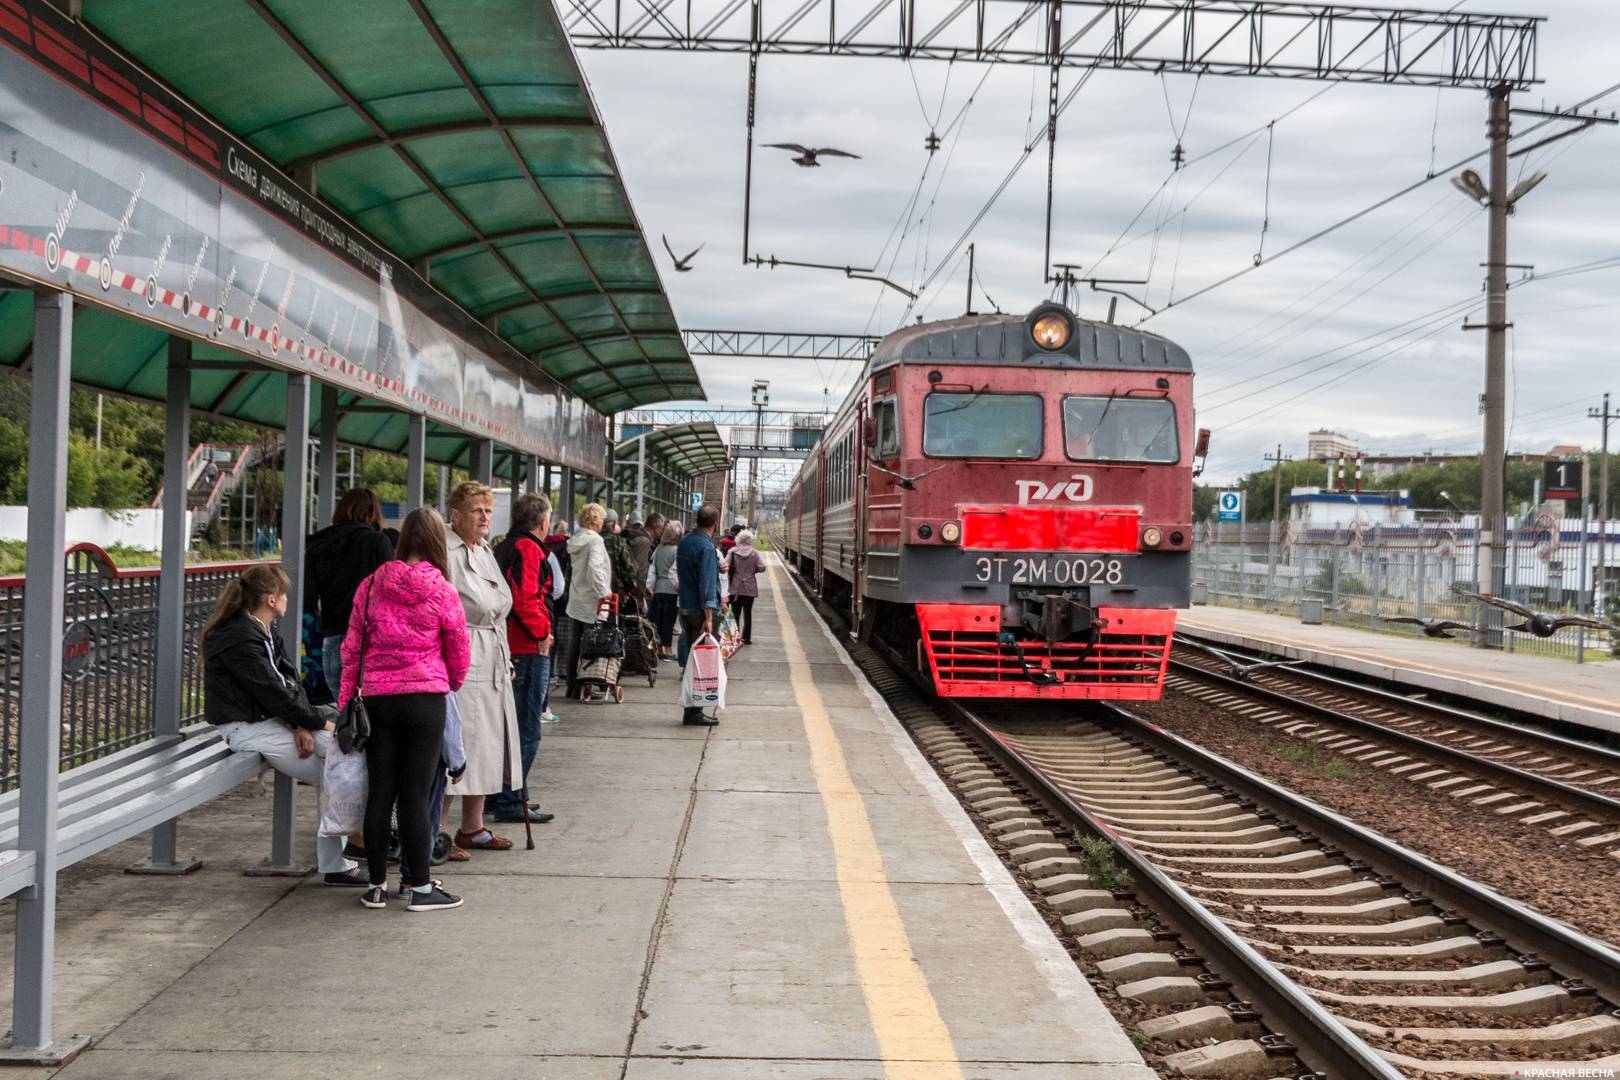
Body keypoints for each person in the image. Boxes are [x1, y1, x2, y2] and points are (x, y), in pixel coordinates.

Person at [202, 565, 365, 887]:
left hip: (270, 720)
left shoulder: (260, 629)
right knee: (337, 770)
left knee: (344, 763)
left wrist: (299, 724)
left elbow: (287, 682)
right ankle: (337, 863)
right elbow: (271, 691)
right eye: (285, 594)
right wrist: (316, 723)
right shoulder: (240, 639)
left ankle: (341, 858)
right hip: (245, 728)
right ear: (270, 599)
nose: (288, 599)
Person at [340, 508, 471, 912]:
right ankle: (418, 887)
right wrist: (448, 682)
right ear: (435, 541)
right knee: (415, 794)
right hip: (425, 699)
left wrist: (348, 701)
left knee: (380, 791)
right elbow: (459, 650)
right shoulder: (442, 589)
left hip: (377, 701)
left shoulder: (372, 584)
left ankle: (376, 885)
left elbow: (352, 649)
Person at [444, 482, 522, 858]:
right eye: (477, 510)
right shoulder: (445, 550)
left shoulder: (485, 549)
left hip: (490, 651)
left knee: (487, 743)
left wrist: (505, 659)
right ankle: (436, 830)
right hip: (462, 654)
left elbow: (498, 606)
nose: (485, 517)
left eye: (488, 511)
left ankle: (471, 826)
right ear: (455, 514)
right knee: (457, 742)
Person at [490, 493, 556, 825]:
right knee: (527, 727)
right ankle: (511, 797)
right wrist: (543, 632)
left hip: (509, 643)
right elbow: (525, 598)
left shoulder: (504, 547)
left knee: (509, 726)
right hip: (527, 647)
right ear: (542, 521)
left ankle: (502, 793)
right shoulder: (529, 549)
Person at [308, 488, 394, 695]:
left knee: (346, 717)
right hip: (367, 642)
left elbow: (309, 599)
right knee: (370, 719)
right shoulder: (377, 542)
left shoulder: (316, 544)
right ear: (373, 512)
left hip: (331, 640)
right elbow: (390, 593)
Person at [676, 505, 724, 726]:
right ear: (716, 523)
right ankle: (694, 711)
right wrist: (709, 617)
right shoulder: (706, 547)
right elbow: (706, 585)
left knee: (691, 658)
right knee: (701, 662)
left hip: (684, 606)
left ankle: (691, 708)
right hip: (699, 610)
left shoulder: (685, 542)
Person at [564, 502, 613, 700]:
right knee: (591, 644)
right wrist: (604, 592)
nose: (603, 522)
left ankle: (572, 685)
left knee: (575, 643)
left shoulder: (576, 539)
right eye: (601, 519)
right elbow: (594, 568)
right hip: (592, 599)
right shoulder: (595, 541)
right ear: (595, 520)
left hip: (577, 597)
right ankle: (586, 683)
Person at [648, 520, 683, 662]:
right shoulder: (677, 551)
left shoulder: (659, 549)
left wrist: (650, 586)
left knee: (658, 621)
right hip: (671, 591)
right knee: (669, 622)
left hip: (658, 589)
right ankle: (667, 650)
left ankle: (657, 648)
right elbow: (676, 571)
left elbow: (652, 569)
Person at [724, 528, 766, 646]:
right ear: (749, 540)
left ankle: (734, 638)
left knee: (735, 613)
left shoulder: (732, 552)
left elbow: (725, 565)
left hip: (735, 587)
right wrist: (752, 571)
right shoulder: (754, 553)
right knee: (748, 613)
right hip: (750, 587)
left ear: (739, 539)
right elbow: (762, 567)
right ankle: (746, 638)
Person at [602, 508, 640, 615]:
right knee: (612, 626)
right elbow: (631, 571)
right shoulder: (619, 542)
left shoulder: (593, 539)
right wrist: (626, 591)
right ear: (614, 524)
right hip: (615, 595)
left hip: (593, 595)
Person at [625, 512, 656, 597]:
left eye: (638, 525)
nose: (637, 528)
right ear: (628, 524)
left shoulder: (620, 537)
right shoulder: (643, 542)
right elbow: (641, 571)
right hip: (634, 588)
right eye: (635, 525)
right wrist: (640, 594)